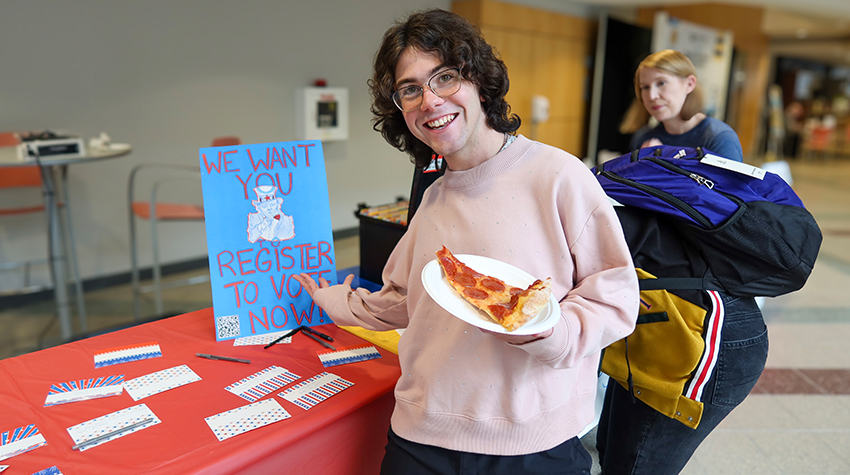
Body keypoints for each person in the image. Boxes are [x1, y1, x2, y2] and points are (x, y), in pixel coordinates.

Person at [293, 9, 639, 475]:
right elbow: (403, 298)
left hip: (529, 442)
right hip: (421, 433)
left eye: (445, 78)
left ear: (478, 80)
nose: (429, 100)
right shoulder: (434, 195)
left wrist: (550, 333)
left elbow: (615, 295)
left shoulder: (558, 176)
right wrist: (333, 298)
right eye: (410, 89)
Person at [596, 49, 770, 474]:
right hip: (653, 289)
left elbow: (726, 222)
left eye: (662, 84)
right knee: (610, 436)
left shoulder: (717, 137)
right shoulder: (643, 138)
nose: (652, 95)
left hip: (699, 292)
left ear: (689, 84)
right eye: (644, 87)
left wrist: (665, 172)